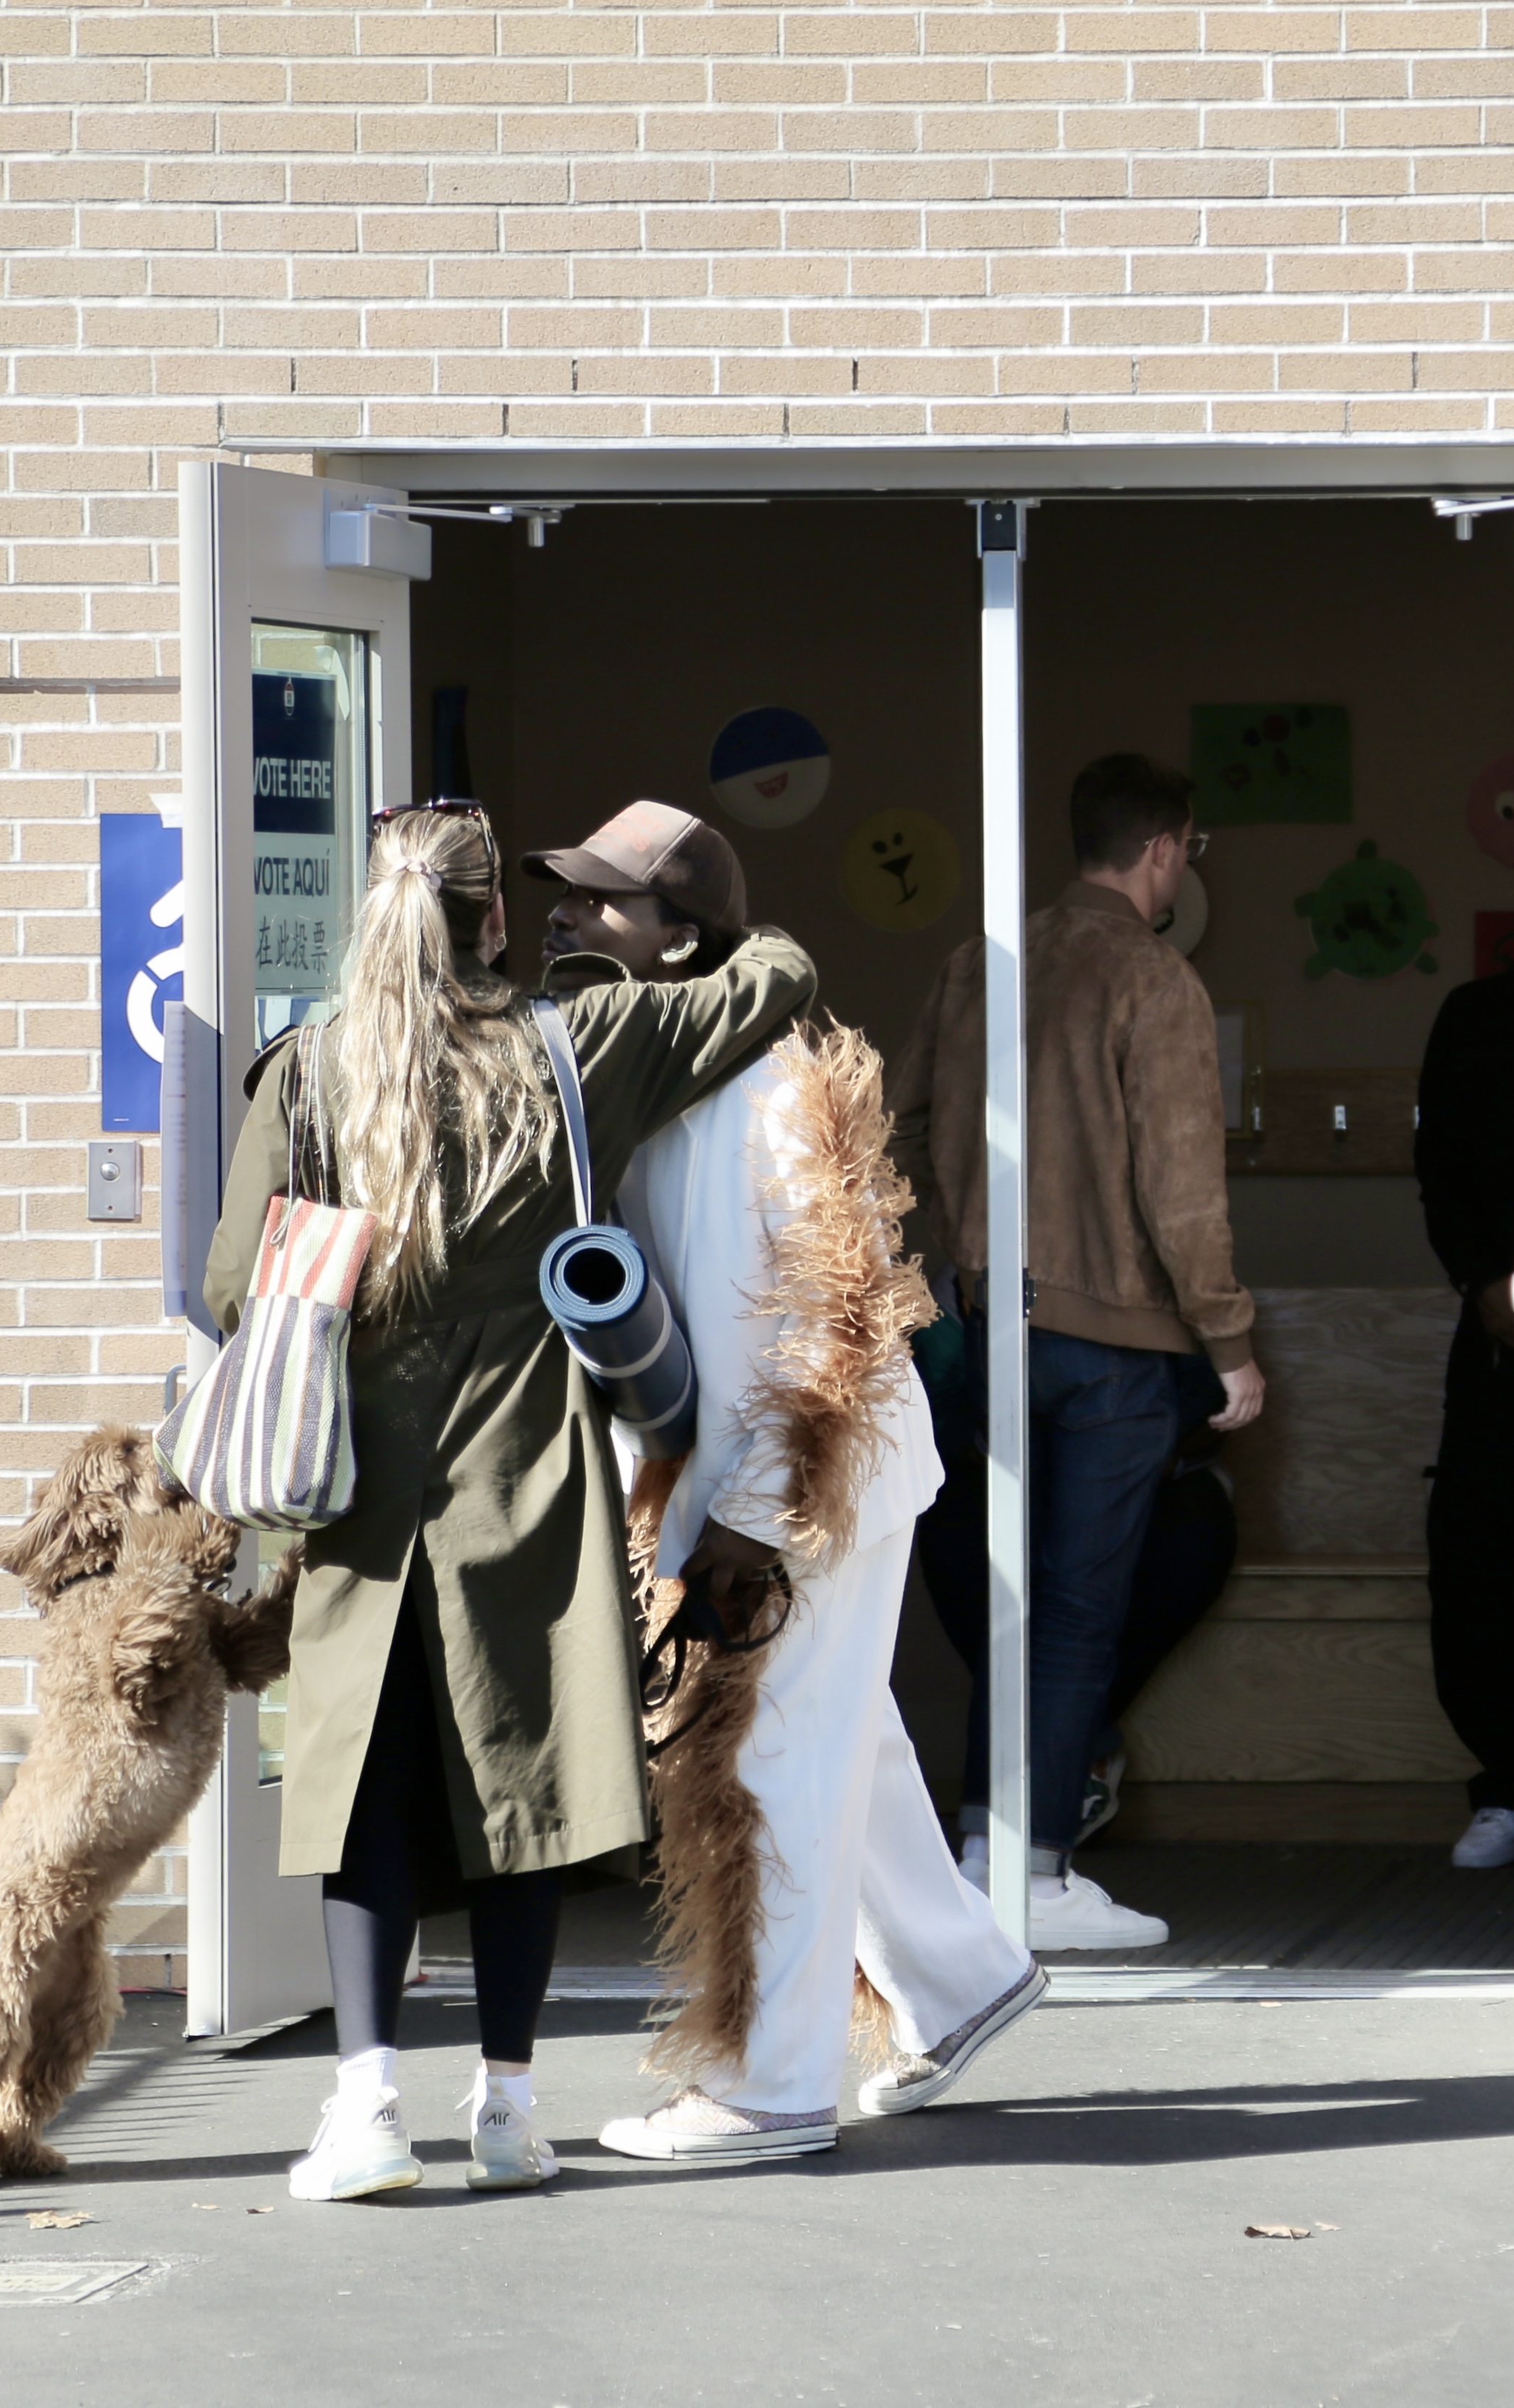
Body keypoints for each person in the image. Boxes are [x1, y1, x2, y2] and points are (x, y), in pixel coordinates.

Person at [202, 800, 817, 2202]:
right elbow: (779, 978)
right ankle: (508, 2109)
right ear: (491, 918)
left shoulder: (310, 1072)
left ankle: (366, 2106)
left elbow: (233, 1284)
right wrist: (698, 918)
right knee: (525, 1784)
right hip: (529, 1479)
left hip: (361, 1485)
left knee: (369, 1790)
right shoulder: (575, 1043)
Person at [503, 801, 1045, 2164]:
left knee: (767, 1765)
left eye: (600, 900)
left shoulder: (776, 1079)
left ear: (683, 937)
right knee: (842, 1737)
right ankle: (961, 1980)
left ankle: (768, 2086)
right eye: (565, 895)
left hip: (807, 1480)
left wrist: (754, 1516)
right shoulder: (642, 1063)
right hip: (765, 1476)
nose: (564, 916)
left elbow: (836, 1308)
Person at [892, 752, 1264, 1950]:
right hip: (1113, 1345)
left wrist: (964, 1245)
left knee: (1006, 1599)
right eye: (1185, 850)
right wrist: (1230, 1342)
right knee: (1075, 1610)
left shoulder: (978, 963)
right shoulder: (1154, 977)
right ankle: (1037, 1876)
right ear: (1162, 848)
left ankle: (980, 1853)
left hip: (991, 1326)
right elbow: (1182, 1188)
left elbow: (902, 1121)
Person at [1412, 842, 1514, 1874]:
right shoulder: (1476, 1016)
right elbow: (1440, 1168)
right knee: (1466, 1556)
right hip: (1501, 1335)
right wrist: (1482, 1282)